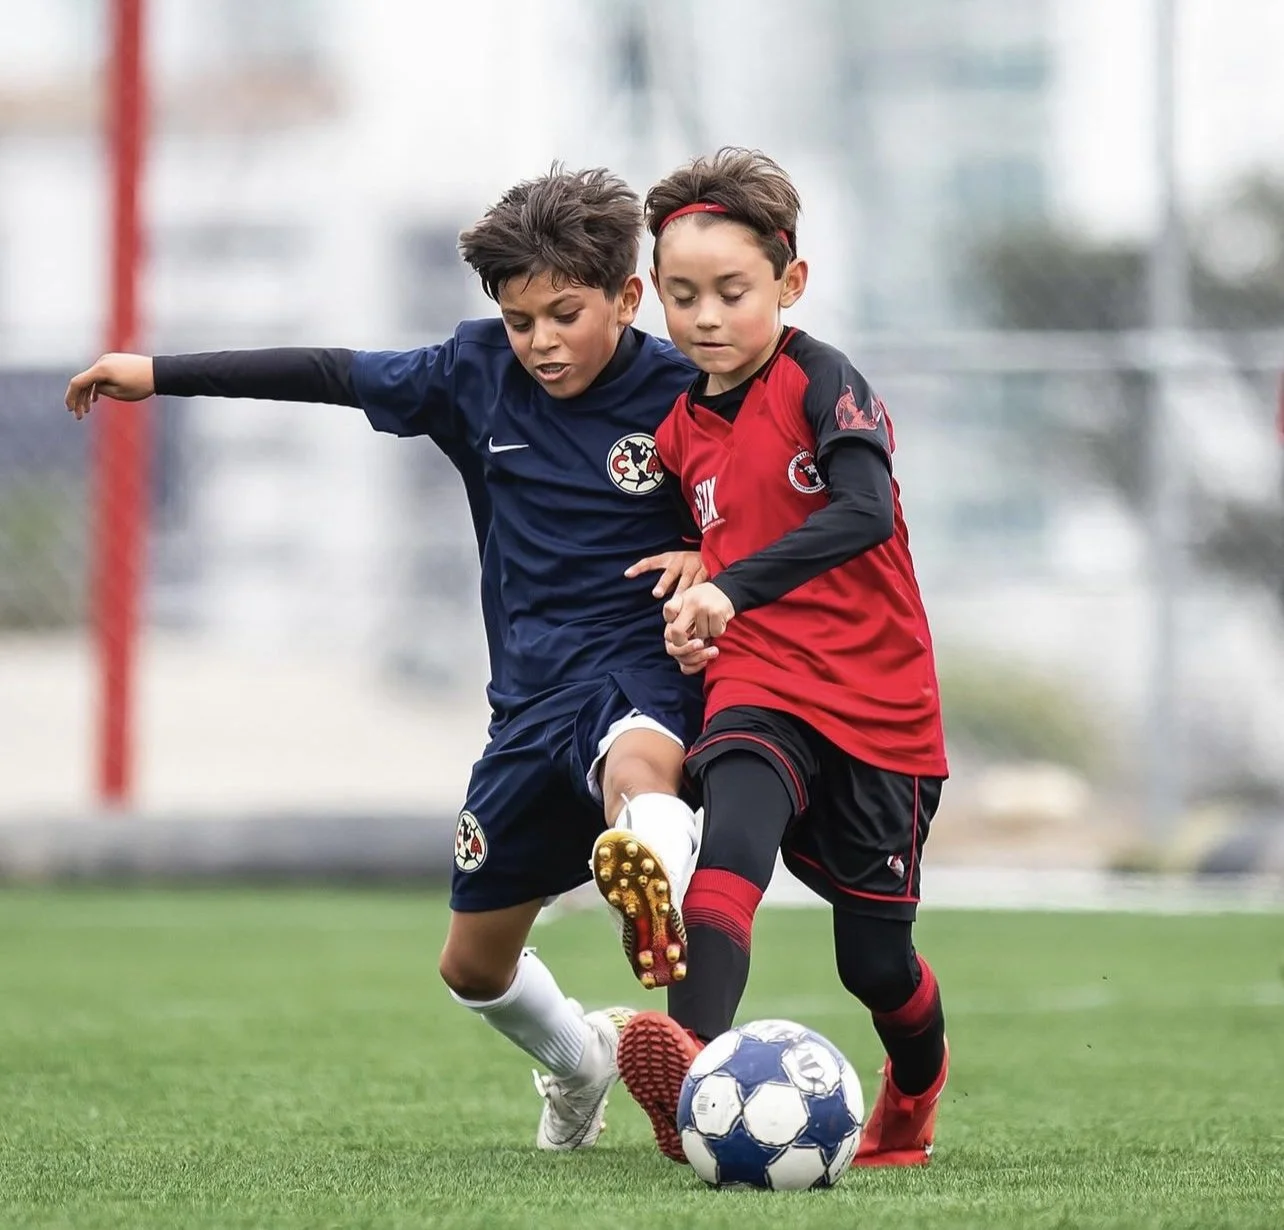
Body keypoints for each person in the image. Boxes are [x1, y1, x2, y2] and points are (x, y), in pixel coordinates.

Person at [64, 166, 706, 1153]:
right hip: (527, 703)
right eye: (521, 316)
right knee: (472, 968)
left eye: (564, 314)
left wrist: (719, 554)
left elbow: (775, 494)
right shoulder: (473, 372)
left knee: (635, 756)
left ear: (627, 298)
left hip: (642, 663)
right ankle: (582, 1062)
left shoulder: (689, 388)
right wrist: (158, 372)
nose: (540, 341)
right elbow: (331, 371)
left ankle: (650, 861)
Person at [612, 149, 951, 1168]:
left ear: (788, 285)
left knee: (875, 961)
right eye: (680, 296)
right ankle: (692, 1072)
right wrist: (695, 570)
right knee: (733, 848)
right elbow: (716, 524)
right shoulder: (678, 426)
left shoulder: (821, 378)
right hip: (758, 683)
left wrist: (728, 581)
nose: (704, 317)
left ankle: (917, 1087)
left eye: (730, 292)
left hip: (881, 701)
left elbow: (859, 510)